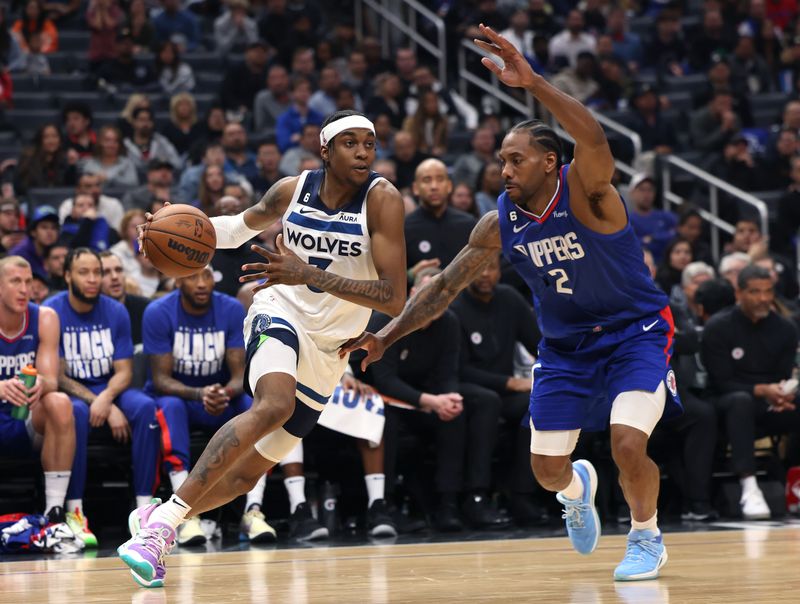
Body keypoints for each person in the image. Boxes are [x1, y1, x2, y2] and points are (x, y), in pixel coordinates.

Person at [342, 26, 681, 582]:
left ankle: (646, 536)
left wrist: (534, 84)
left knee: (626, 439)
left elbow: (593, 139)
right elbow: (444, 287)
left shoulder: (589, 192)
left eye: (517, 160)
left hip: (636, 332)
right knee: (548, 470)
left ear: (550, 162)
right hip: (567, 349)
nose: (504, 170)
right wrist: (388, 334)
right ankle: (579, 491)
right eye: (501, 160)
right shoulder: (499, 222)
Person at [118, 109, 407, 588]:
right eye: (350, 143)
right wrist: (170, 230)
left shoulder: (383, 200)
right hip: (280, 308)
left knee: (243, 478)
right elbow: (234, 229)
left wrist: (308, 273)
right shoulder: (292, 190)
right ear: (326, 149)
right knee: (273, 404)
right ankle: (164, 527)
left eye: (369, 144)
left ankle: (156, 521)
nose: (362, 152)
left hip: (330, 348)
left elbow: (393, 297)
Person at [44, 248, 161, 548]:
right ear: (67, 275)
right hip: (73, 392)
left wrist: (106, 399)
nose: (94, 279)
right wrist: (99, 403)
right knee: (75, 413)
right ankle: (75, 512)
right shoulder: (51, 311)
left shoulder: (116, 311)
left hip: (110, 389)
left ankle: (144, 511)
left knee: (146, 407)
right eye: (84, 273)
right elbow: (56, 375)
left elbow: (124, 372)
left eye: (97, 272)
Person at [702, 264, 800, 519]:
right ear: (739, 293)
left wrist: (783, 393)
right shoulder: (718, 327)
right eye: (756, 292)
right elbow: (721, 381)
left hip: (771, 400)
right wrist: (762, 390)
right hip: (727, 401)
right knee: (740, 401)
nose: (764, 299)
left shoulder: (785, 329)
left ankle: (795, 478)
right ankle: (749, 487)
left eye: (768, 292)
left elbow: (783, 374)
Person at [0, 256, 76, 530]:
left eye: (28, 281)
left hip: (25, 417)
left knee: (59, 402)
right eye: (15, 281)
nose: (24, 289)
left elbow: (51, 380)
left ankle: (54, 511)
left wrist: (42, 383)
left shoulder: (45, 317)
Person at [99, 251, 149, 346]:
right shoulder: (90, 313)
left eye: (118, 270)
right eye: (106, 272)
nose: (114, 277)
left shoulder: (146, 309)